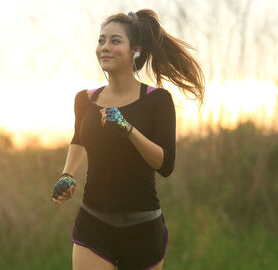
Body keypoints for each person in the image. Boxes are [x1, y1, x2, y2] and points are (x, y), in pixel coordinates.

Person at [51, 9, 204, 270]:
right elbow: (79, 139)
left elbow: (165, 165)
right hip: (93, 224)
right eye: (101, 41)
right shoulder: (85, 99)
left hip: (142, 230)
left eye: (115, 41)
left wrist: (127, 128)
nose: (105, 48)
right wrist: (67, 175)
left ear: (136, 50)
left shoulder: (157, 100)